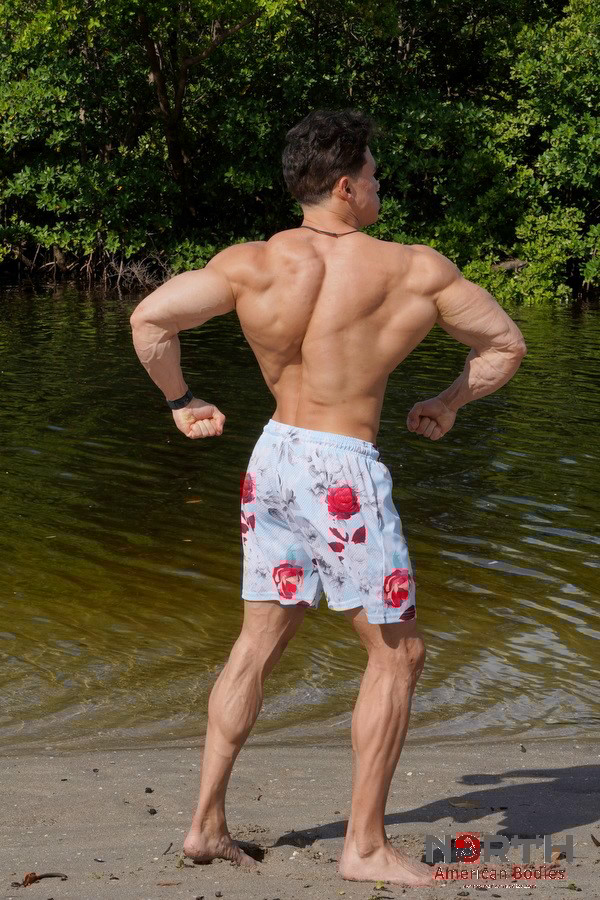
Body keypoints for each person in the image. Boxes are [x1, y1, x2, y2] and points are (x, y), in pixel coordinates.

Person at [129, 108, 526, 887]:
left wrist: (181, 399)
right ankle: (365, 847)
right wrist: (448, 401)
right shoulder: (415, 271)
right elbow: (505, 343)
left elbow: (150, 321)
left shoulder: (251, 263)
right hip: (343, 470)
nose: (380, 186)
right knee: (399, 653)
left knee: (258, 642)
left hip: (273, 456)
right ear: (345, 186)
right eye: (374, 174)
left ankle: (206, 824)